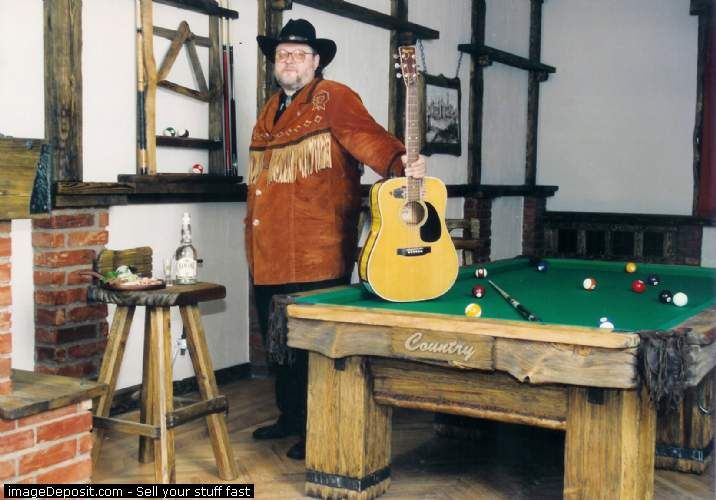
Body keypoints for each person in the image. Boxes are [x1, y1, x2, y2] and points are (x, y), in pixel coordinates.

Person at [247, 18, 427, 460]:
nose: (289, 61)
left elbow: (367, 137)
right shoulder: (271, 108)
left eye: (299, 54)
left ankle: (317, 427)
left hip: (315, 247)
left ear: (317, 61)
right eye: (282, 54)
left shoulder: (335, 98)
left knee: (314, 347)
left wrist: (401, 161)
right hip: (267, 249)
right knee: (280, 343)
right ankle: (290, 416)